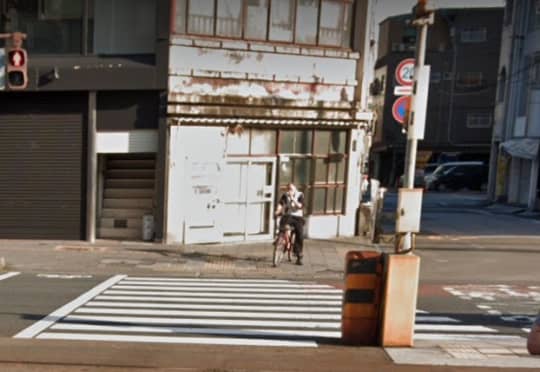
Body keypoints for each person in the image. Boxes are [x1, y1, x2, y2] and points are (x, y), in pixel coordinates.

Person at [275, 183, 305, 265]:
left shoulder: (300, 195)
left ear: (295, 189)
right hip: (289, 215)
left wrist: (293, 199)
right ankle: (280, 237)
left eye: (291, 189)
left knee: (300, 234)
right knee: (283, 220)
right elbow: (281, 203)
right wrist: (278, 210)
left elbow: (300, 206)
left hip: (298, 216)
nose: (289, 191)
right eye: (288, 189)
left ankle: (299, 255)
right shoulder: (285, 195)